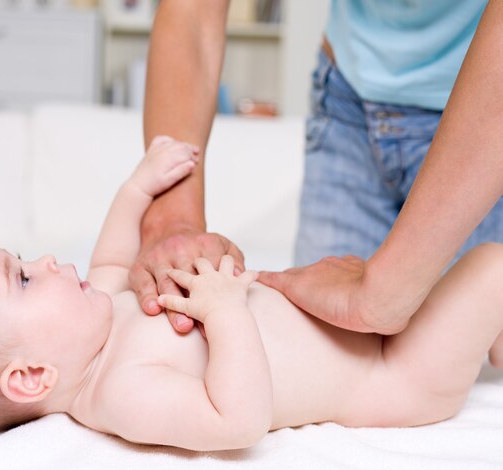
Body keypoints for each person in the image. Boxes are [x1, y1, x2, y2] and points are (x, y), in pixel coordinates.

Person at [0, 136, 503, 451]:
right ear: (31, 376)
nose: (42, 260)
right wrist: (226, 312)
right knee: (491, 268)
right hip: (390, 375)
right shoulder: (117, 390)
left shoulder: (97, 311)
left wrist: (136, 188)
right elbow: (236, 422)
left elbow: (114, 257)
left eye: (21, 255)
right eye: (21, 278)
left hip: (364, 319)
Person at [131, 0, 503, 336]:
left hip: (483, 113)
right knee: (318, 337)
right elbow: (194, 10)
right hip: (348, 98)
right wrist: (172, 220)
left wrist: (385, 294)